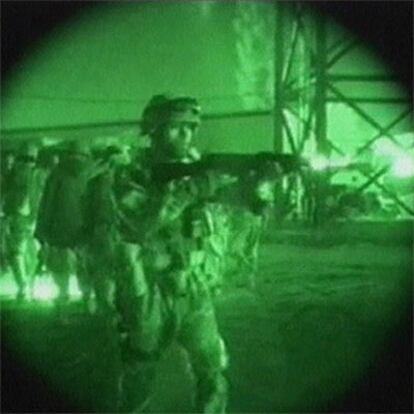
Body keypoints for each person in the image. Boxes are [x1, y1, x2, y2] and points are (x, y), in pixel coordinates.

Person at [91, 94, 282, 413]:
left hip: (194, 288)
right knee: (139, 374)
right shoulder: (131, 174)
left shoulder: (192, 168)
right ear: (152, 130)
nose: (186, 136)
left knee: (213, 370)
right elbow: (140, 226)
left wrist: (259, 183)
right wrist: (192, 188)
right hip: (148, 289)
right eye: (176, 128)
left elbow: (236, 199)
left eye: (191, 128)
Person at [35, 139, 105, 312]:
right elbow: (101, 203)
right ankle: (87, 300)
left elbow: (47, 205)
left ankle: (63, 306)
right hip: (87, 229)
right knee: (86, 267)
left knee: (61, 272)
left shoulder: (56, 174)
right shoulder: (95, 173)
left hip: (60, 230)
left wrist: (41, 232)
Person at [2, 143, 40, 299]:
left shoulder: (13, 175)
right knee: (28, 253)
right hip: (27, 217)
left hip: (15, 216)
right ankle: (27, 284)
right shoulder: (35, 175)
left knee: (17, 253)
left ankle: (23, 285)